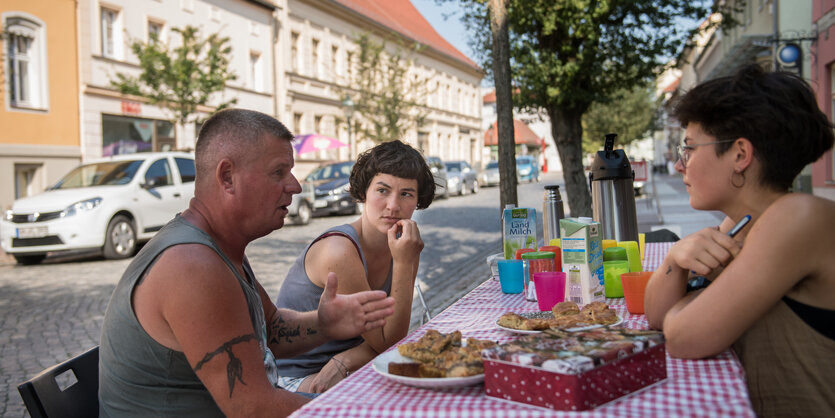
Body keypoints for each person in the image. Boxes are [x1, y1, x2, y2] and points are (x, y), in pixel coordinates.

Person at [98, 109, 396, 418]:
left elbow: (269, 330)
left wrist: (323, 325)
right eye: (278, 172)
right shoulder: (192, 266)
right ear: (227, 176)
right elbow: (254, 409)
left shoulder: (218, 248)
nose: (294, 186)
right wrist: (369, 412)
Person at [644, 65, 835, 416]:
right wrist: (675, 259)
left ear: (740, 155)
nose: (678, 166)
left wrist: (695, 302)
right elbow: (656, 318)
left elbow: (684, 338)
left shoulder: (798, 218)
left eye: (689, 150)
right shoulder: (741, 223)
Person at [274, 140, 435, 393]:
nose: (393, 205)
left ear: (417, 201)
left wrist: (348, 358)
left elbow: (390, 339)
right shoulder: (339, 250)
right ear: (363, 193)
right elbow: (389, 341)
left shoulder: (403, 244)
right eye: (382, 190)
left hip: (352, 368)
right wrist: (405, 263)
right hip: (297, 379)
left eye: (406, 194)